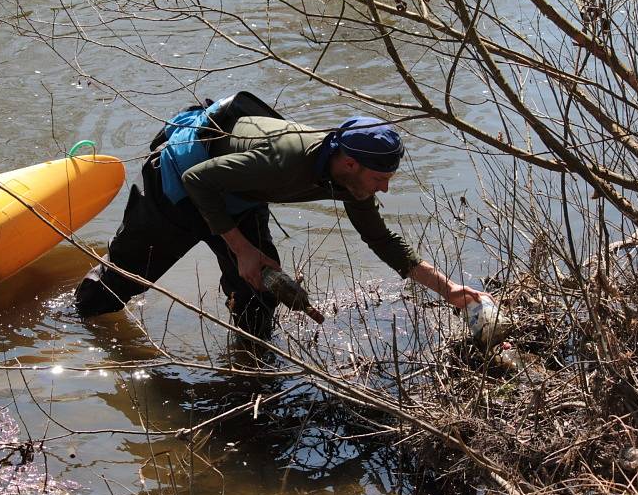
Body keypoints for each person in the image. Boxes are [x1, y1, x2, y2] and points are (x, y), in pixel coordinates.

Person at [74, 92, 490, 337]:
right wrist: (240, 247)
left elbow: (381, 240)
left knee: (258, 299)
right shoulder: (284, 161)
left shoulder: (347, 178)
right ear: (349, 163)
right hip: (180, 187)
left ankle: (247, 376)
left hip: (239, 195)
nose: (385, 188)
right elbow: (201, 180)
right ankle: (71, 328)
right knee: (113, 290)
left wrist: (450, 289)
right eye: (381, 178)